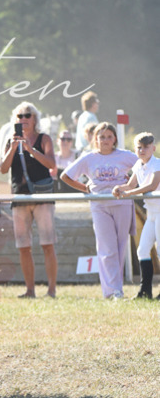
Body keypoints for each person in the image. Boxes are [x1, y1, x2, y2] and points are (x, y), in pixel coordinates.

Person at [61, 122, 137, 299]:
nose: (105, 140)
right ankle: (112, 291)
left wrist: (131, 183)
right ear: (95, 139)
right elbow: (65, 176)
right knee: (106, 248)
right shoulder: (89, 158)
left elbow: (145, 166)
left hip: (122, 204)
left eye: (109, 136)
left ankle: (115, 289)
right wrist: (84, 188)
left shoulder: (124, 155)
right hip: (99, 205)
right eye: (102, 136)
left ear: (115, 139)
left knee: (120, 247)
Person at [0, 102, 58, 299]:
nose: (23, 119)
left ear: (35, 119)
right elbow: (3, 168)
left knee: (47, 244)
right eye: (20, 116)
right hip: (20, 196)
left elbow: (51, 164)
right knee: (23, 246)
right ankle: (30, 290)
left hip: (42, 197)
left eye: (27, 115)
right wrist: (14, 147)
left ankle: (51, 290)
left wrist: (30, 149)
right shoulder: (11, 141)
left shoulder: (44, 139)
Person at [112, 132, 160, 299]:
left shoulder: (157, 164)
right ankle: (145, 291)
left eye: (146, 147)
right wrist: (119, 188)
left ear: (153, 148)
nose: (142, 150)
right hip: (152, 213)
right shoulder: (138, 166)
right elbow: (130, 184)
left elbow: (152, 186)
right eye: (139, 147)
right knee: (143, 250)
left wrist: (130, 192)